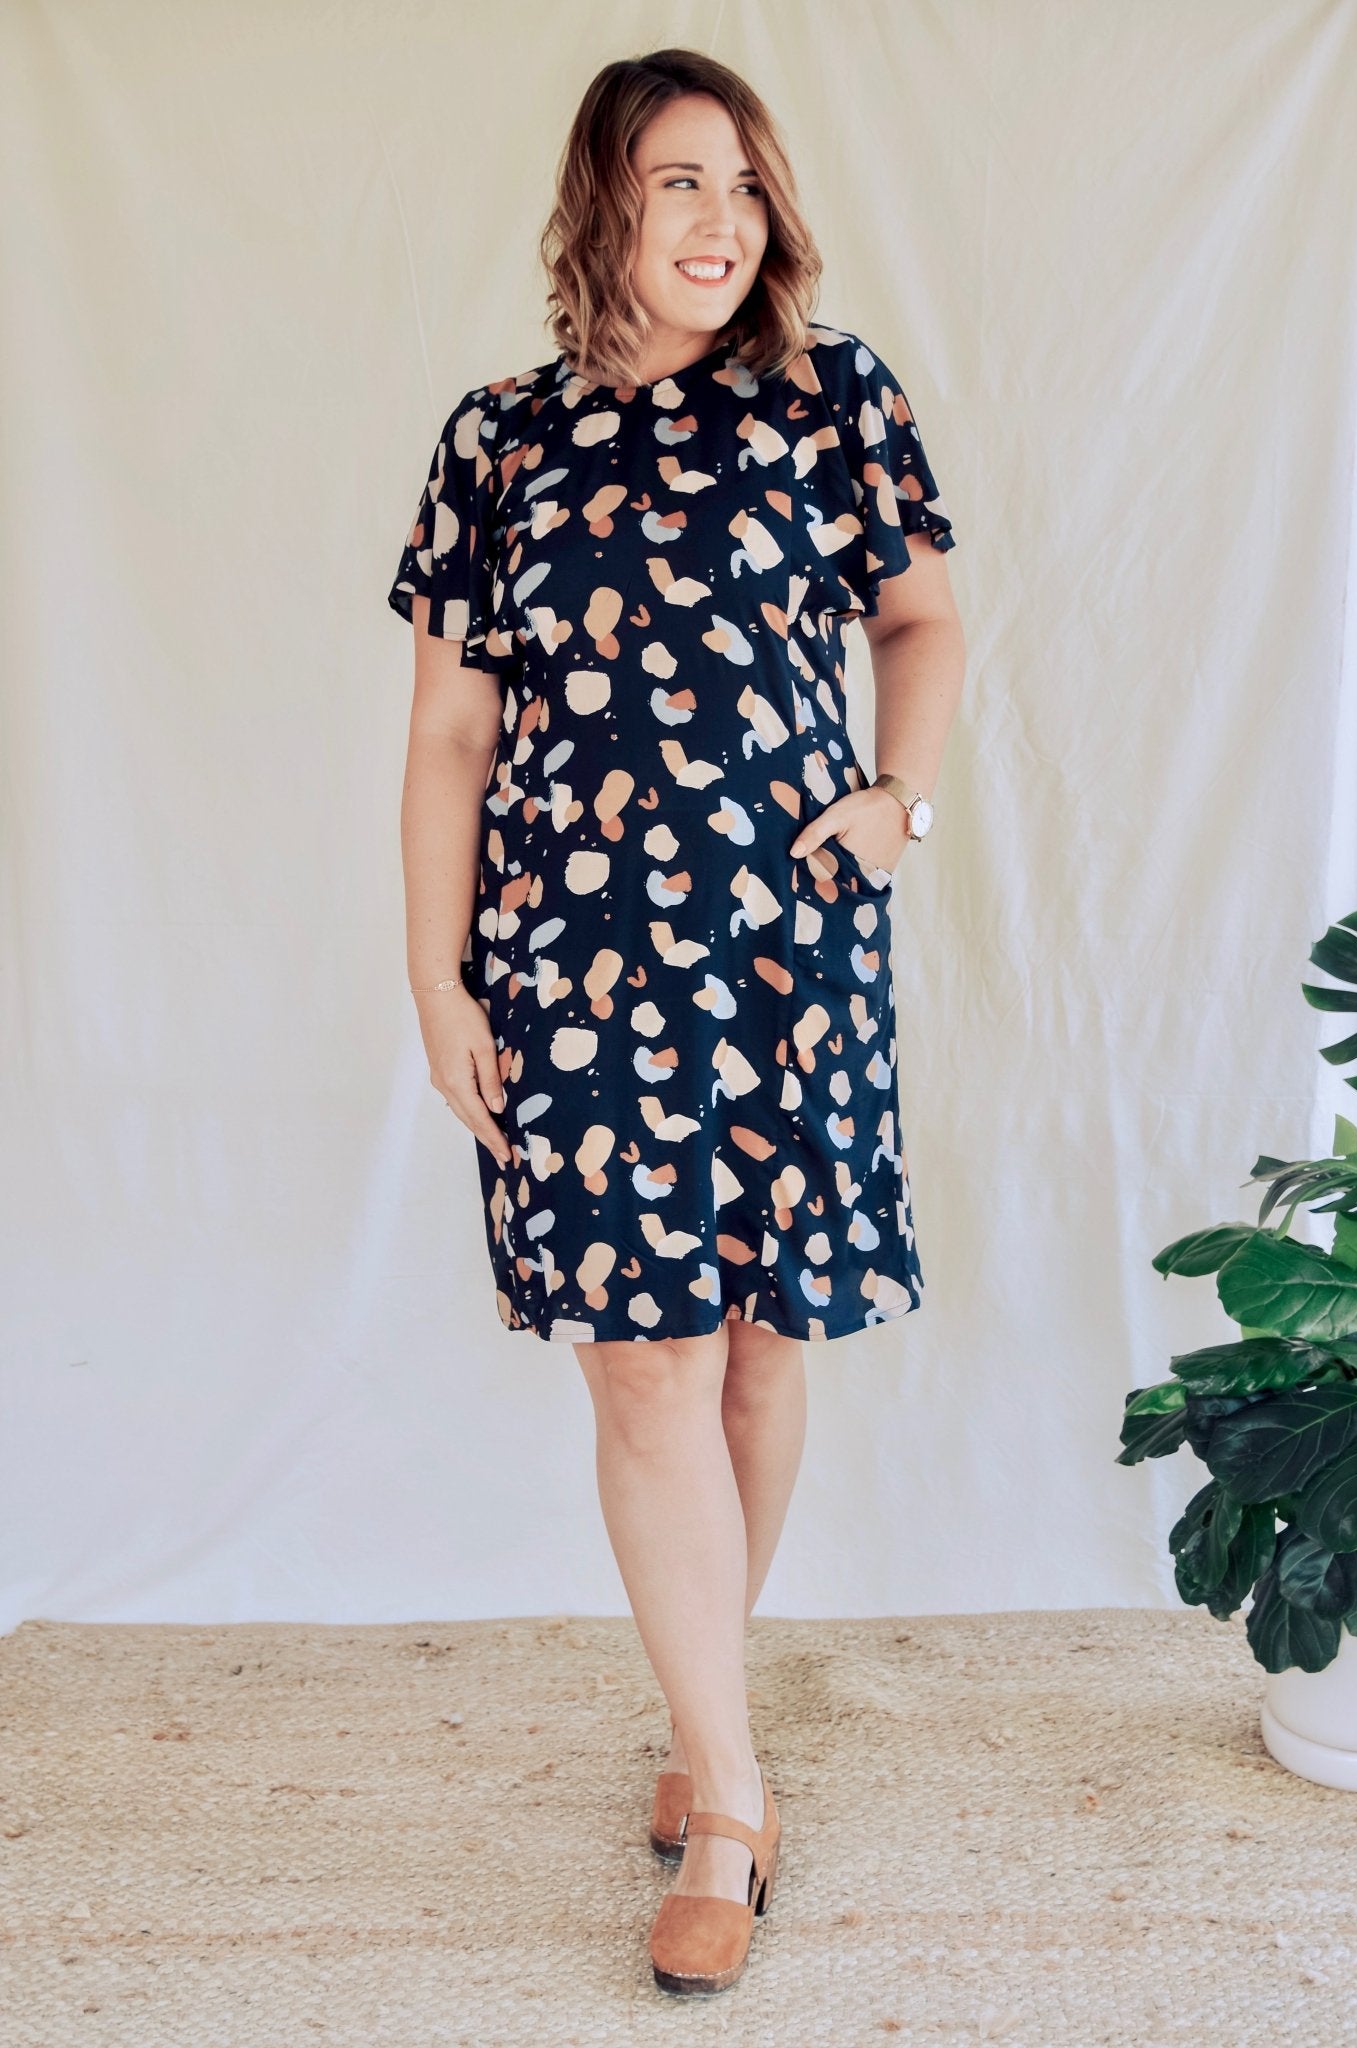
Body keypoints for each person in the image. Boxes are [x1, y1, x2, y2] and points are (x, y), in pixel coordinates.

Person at [386, 46, 966, 1997]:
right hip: (571, 966)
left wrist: (896, 804)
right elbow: (450, 736)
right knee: (641, 1365)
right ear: (600, 211)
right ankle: (729, 1793)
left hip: (786, 948)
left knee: (754, 1356)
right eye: (674, 184)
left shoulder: (830, 397)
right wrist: (436, 979)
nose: (718, 220)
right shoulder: (498, 441)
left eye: (741, 182)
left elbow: (921, 619)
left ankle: (702, 1717)